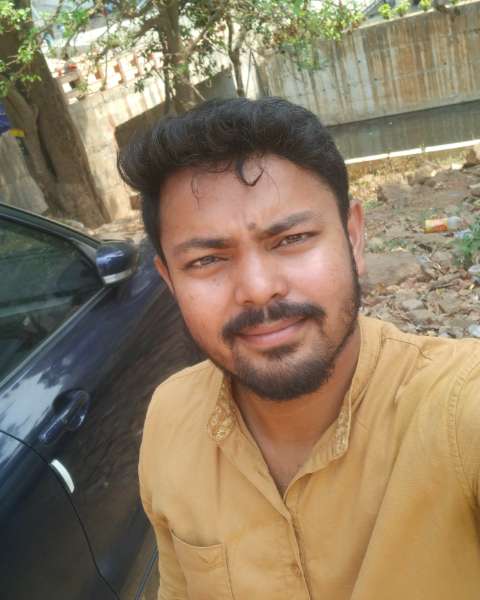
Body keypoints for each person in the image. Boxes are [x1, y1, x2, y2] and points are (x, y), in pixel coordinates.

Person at [118, 97, 480, 600]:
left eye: (292, 239)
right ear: (169, 281)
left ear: (354, 238)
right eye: (206, 260)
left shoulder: (458, 406)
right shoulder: (169, 418)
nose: (258, 289)